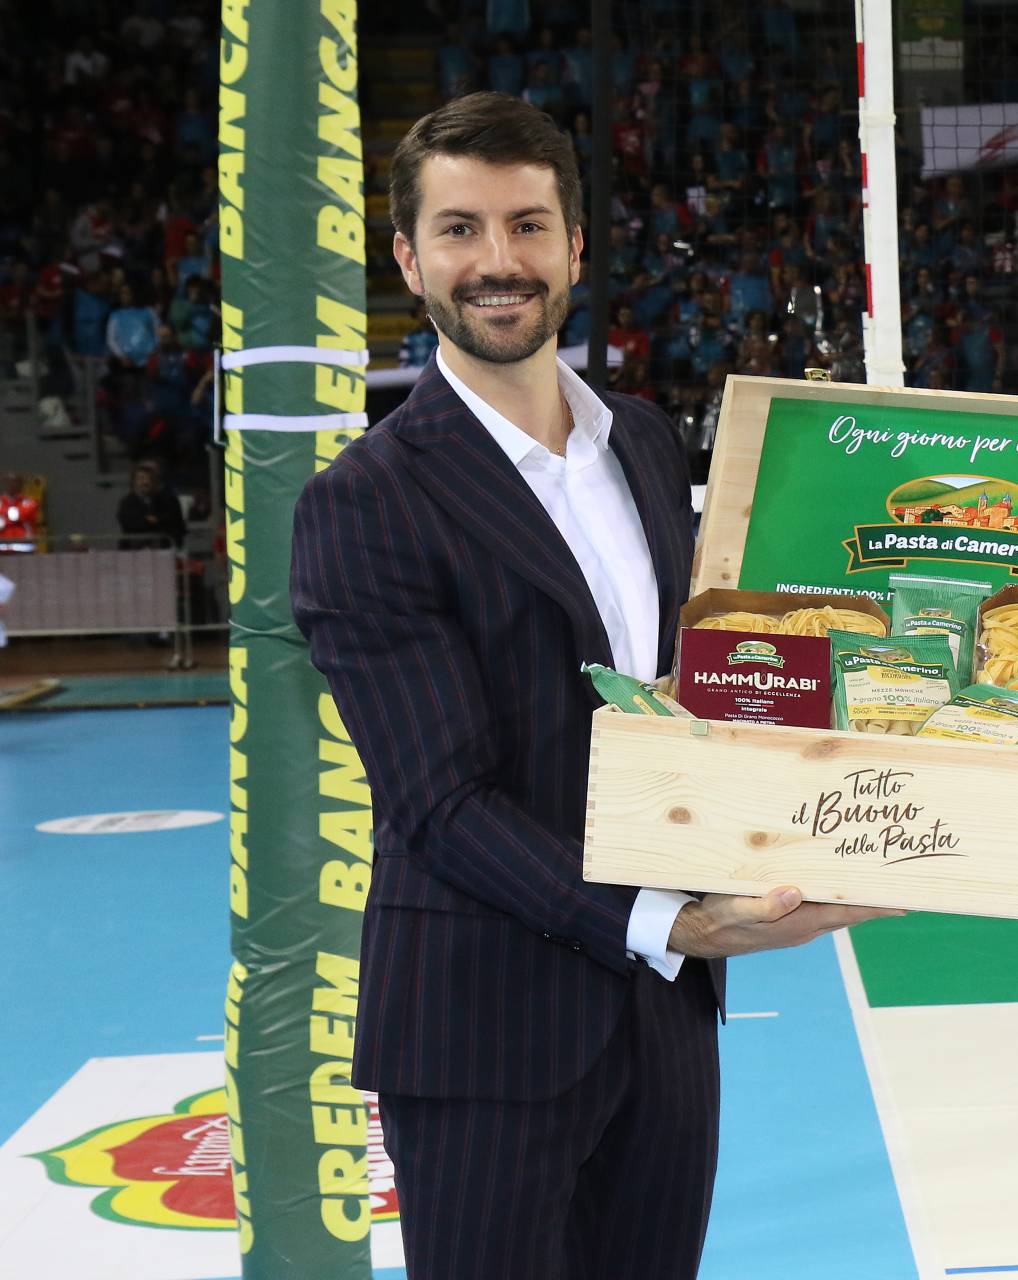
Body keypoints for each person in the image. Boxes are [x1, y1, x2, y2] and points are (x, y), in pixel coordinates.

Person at [288, 93, 890, 1280]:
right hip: (484, 1024)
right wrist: (672, 922)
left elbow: (693, 698)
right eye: (459, 229)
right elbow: (438, 803)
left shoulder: (647, 444)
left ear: (573, 248)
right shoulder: (365, 501)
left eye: (527, 225)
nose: (497, 261)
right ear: (408, 259)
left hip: (665, 1015)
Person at [116, 461, 187, 549]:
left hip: (164, 548)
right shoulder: (127, 502)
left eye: (149, 478)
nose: (145, 482)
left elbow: (173, 522)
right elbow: (130, 524)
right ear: (134, 482)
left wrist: (152, 521)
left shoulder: (167, 499)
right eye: (141, 478)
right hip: (134, 550)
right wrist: (153, 521)